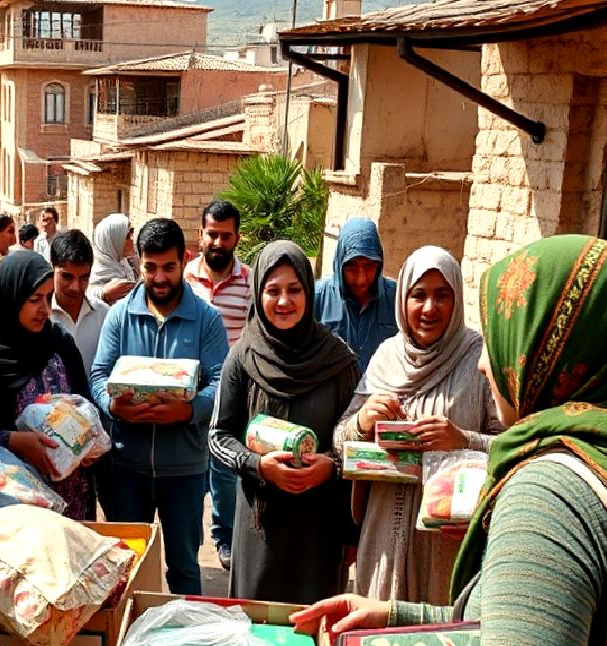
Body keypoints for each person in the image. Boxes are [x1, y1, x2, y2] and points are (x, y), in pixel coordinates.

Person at [271, 235, 607, 646]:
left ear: (555, 353)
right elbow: (535, 633)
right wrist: (396, 614)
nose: (486, 366)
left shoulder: (551, 492)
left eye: (508, 340)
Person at [333, 245, 503, 605]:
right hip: (383, 535)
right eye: (418, 295)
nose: (429, 309)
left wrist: (462, 439)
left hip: (447, 541)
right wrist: (364, 421)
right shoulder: (386, 357)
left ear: (457, 299)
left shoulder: (477, 358)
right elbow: (339, 440)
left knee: (437, 637)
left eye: (442, 296)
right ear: (402, 299)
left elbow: (510, 447)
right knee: (379, 637)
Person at [210, 241, 358, 604]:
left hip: (318, 529)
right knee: (256, 630)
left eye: (294, 290)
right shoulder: (243, 357)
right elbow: (218, 437)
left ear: (309, 291)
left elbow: (358, 443)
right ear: (258, 293)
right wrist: (258, 465)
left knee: (311, 631)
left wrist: (332, 468)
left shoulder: (338, 362)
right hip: (260, 528)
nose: (283, 301)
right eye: (272, 290)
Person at [91, 218, 229, 595]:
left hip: (184, 470)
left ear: (184, 261)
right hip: (126, 469)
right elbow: (99, 375)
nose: (160, 277)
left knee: (184, 567)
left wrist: (188, 411)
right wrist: (113, 406)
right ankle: (130, 645)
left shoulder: (206, 320)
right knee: (128, 567)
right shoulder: (120, 315)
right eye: (150, 267)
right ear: (137, 263)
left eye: (168, 267)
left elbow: (220, 384)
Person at [0, 251, 95, 520]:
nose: (46, 310)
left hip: (72, 495)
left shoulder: (58, 341)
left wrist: (87, 443)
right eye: (34, 299)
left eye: (49, 298)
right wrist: (14, 440)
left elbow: (84, 401)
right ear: (10, 298)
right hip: (15, 505)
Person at [185, 199, 252, 570]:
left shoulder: (249, 282)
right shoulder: (185, 279)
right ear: (201, 234)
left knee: (225, 475)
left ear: (236, 238)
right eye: (212, 234)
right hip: (189, 396)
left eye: (226, 236)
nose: (218, 242)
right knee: (192, 477)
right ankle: (189, 545)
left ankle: (224, 538)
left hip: (231, 397)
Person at [314, 218, 398, 373]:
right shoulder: (318, 298)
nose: (361, 279)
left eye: (369, 266)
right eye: (351, 267)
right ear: (340, 262)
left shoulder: (396, 299)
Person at [49, 229, 110, 372]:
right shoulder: (40, 317)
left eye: (84, 278)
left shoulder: (104, 316)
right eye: (67, 277)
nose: (75, 287)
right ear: (52, 268)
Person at [87, 213, 137, 305]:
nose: (131, 239)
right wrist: (103, 294)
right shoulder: (93, 273)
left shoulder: (126, 264)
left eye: (132, 233)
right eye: (126, 236)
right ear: (111, 242)